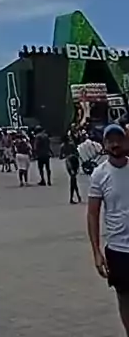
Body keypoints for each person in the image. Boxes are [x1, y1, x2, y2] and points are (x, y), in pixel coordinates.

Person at [87, 124, 129, 336]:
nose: (115, 144)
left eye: (119, 139)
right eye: (110, 141)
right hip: (118, 250)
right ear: (104, 144)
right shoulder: (99, 174)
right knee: (125, 298)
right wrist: (96, 252)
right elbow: (93, 214)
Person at [61, 135, 82, 204]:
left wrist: (66, 155)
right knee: (73, 180)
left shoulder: (62, 146)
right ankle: (76, 196)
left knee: (73, 179)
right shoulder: (72, 145)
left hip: (69, 162)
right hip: (74, 161)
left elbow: (61, 156)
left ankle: (73, 197)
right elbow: (77, 153)